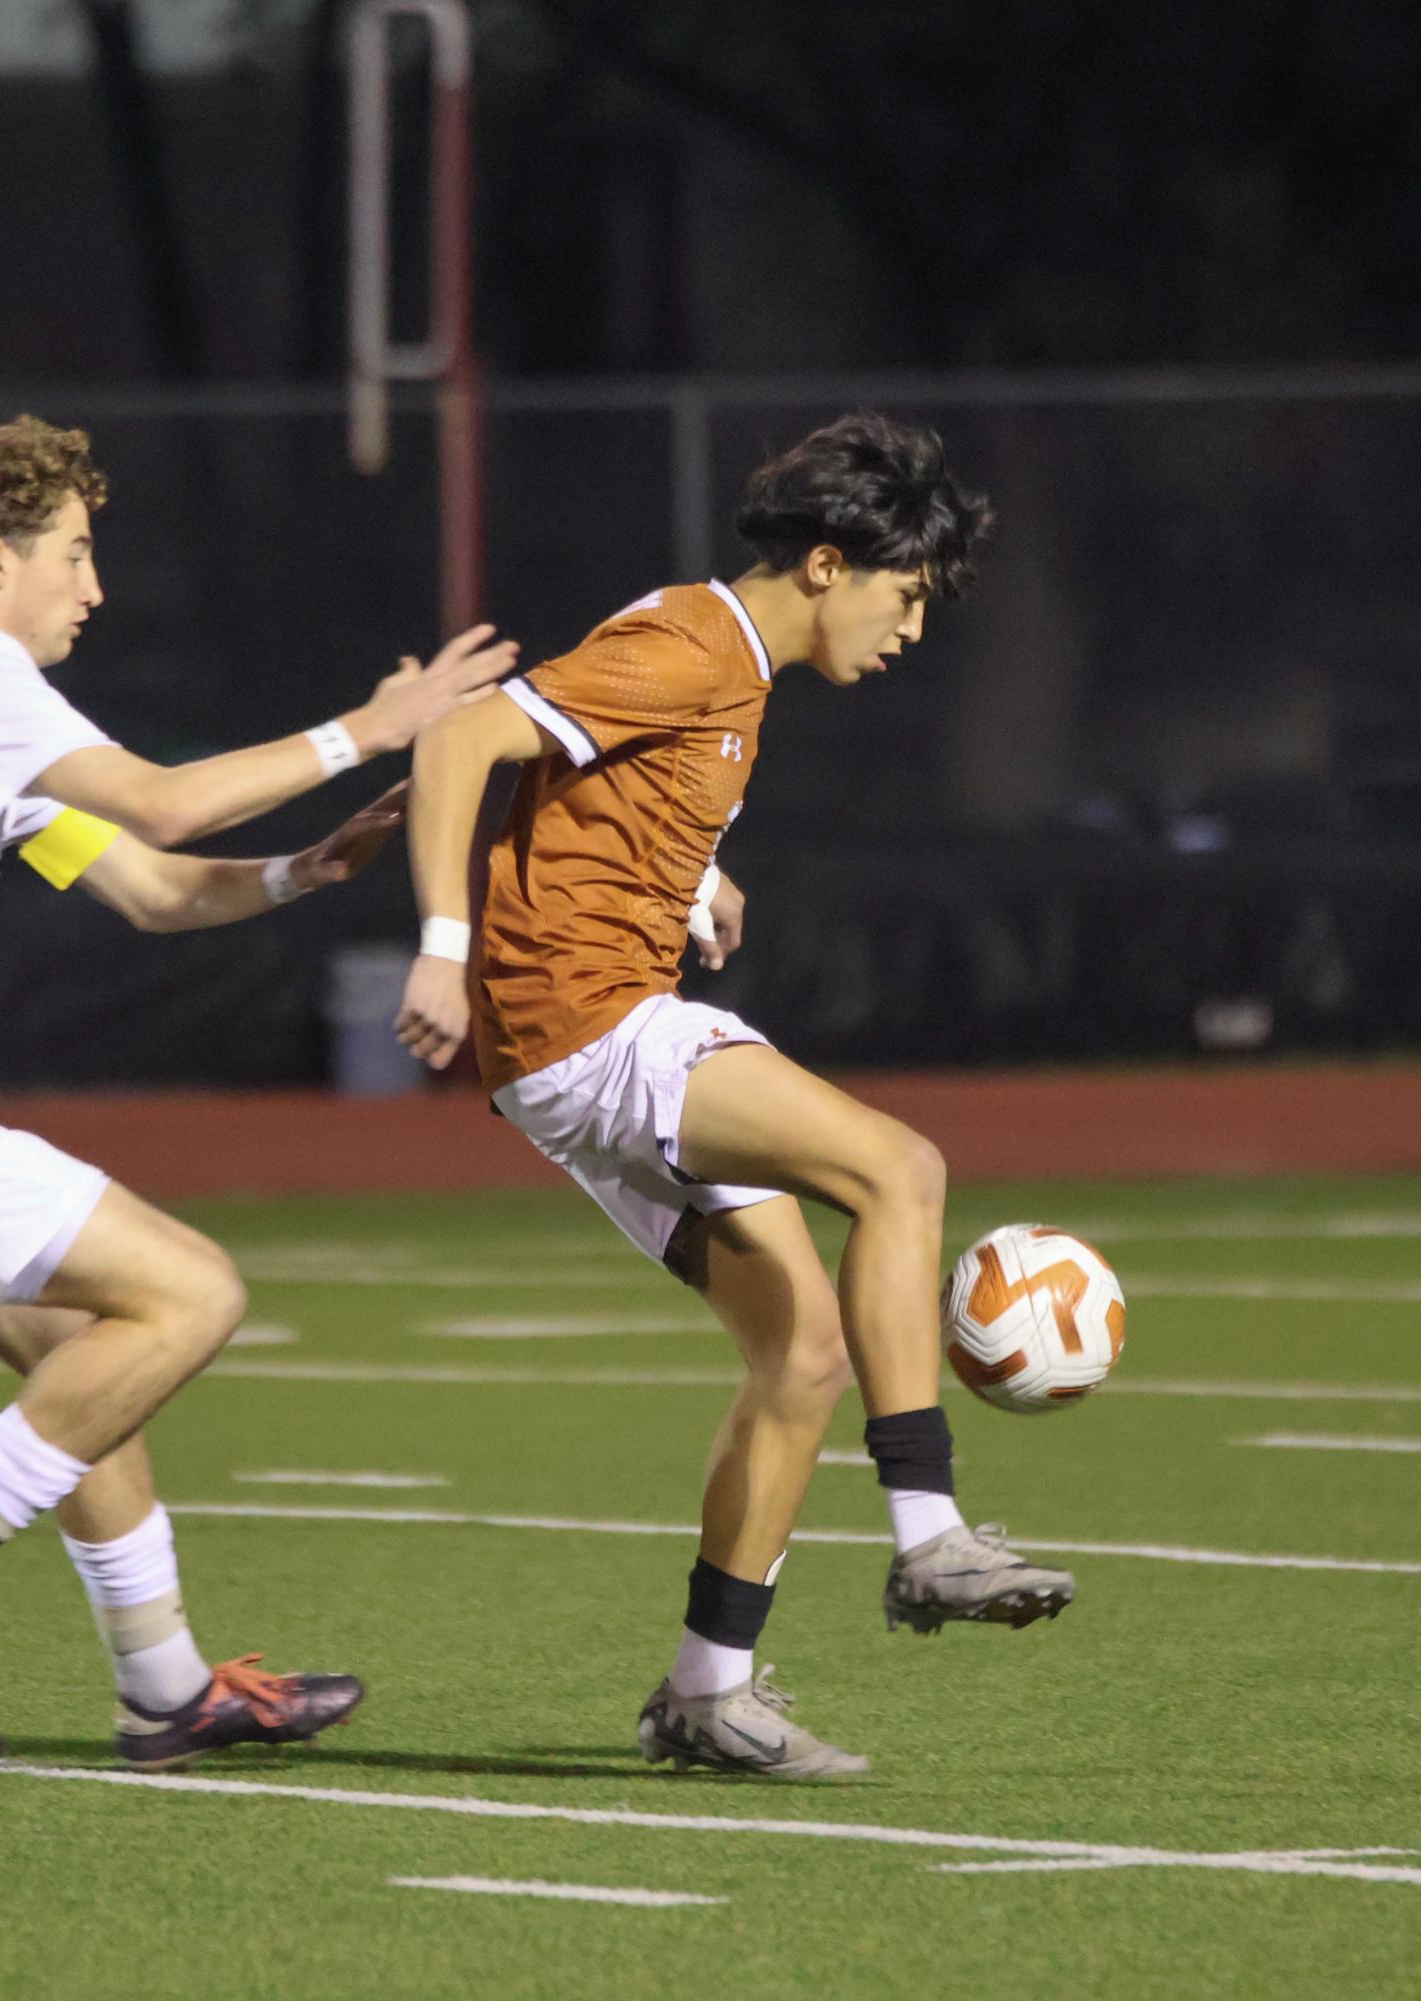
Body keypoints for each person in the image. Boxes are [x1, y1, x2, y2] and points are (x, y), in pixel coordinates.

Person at [0, 414, 517, 1766]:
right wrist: (365, 730)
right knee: (194, 1292)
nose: (94, 588)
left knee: (89, 1359)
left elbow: (147, 889)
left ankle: (162, 1685)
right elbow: (159, 804)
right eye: (74, 555)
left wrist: (302, 872)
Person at [394, 412, 1071, 1782]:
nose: (911, 631)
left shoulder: (723, 658)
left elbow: (594, 780)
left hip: (589, 1032)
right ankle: (928, 1533)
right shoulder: (698, 641)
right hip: (585, 1025)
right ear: (828, 564)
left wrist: (689, 876)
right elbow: (463, 739)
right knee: (901, 1168)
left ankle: (707, 1688)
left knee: (802, 1348)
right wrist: (442, 947)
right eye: (906, 594)